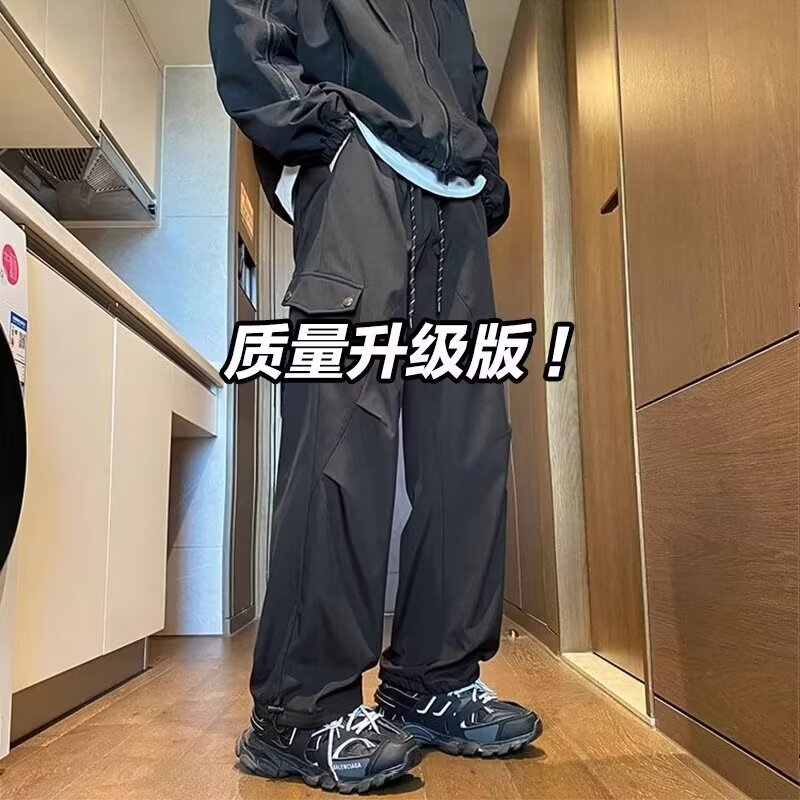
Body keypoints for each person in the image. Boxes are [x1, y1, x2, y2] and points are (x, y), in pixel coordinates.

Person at [210, 0, 541, 792]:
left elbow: (466, 78)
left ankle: (432, 681)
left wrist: (484, 177)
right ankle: (298, 710)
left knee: (470, 452)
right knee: (341, 434)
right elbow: (251, 33)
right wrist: (332, 136)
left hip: (455, 202)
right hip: (358, 168)